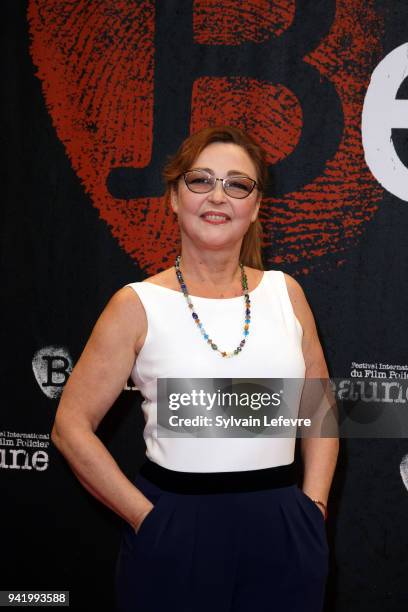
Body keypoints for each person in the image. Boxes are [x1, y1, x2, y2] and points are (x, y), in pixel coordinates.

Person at [51, 126, 339, 612]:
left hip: (283, 527)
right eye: (200, 180)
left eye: (237, 183)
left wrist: (313, 509)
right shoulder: (136, 304)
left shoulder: (286, 293)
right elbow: (69, 426)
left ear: (255, 207)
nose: (218, 196)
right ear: (173, 198)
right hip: (176, 529)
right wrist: (147, 518)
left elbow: (320, 411)